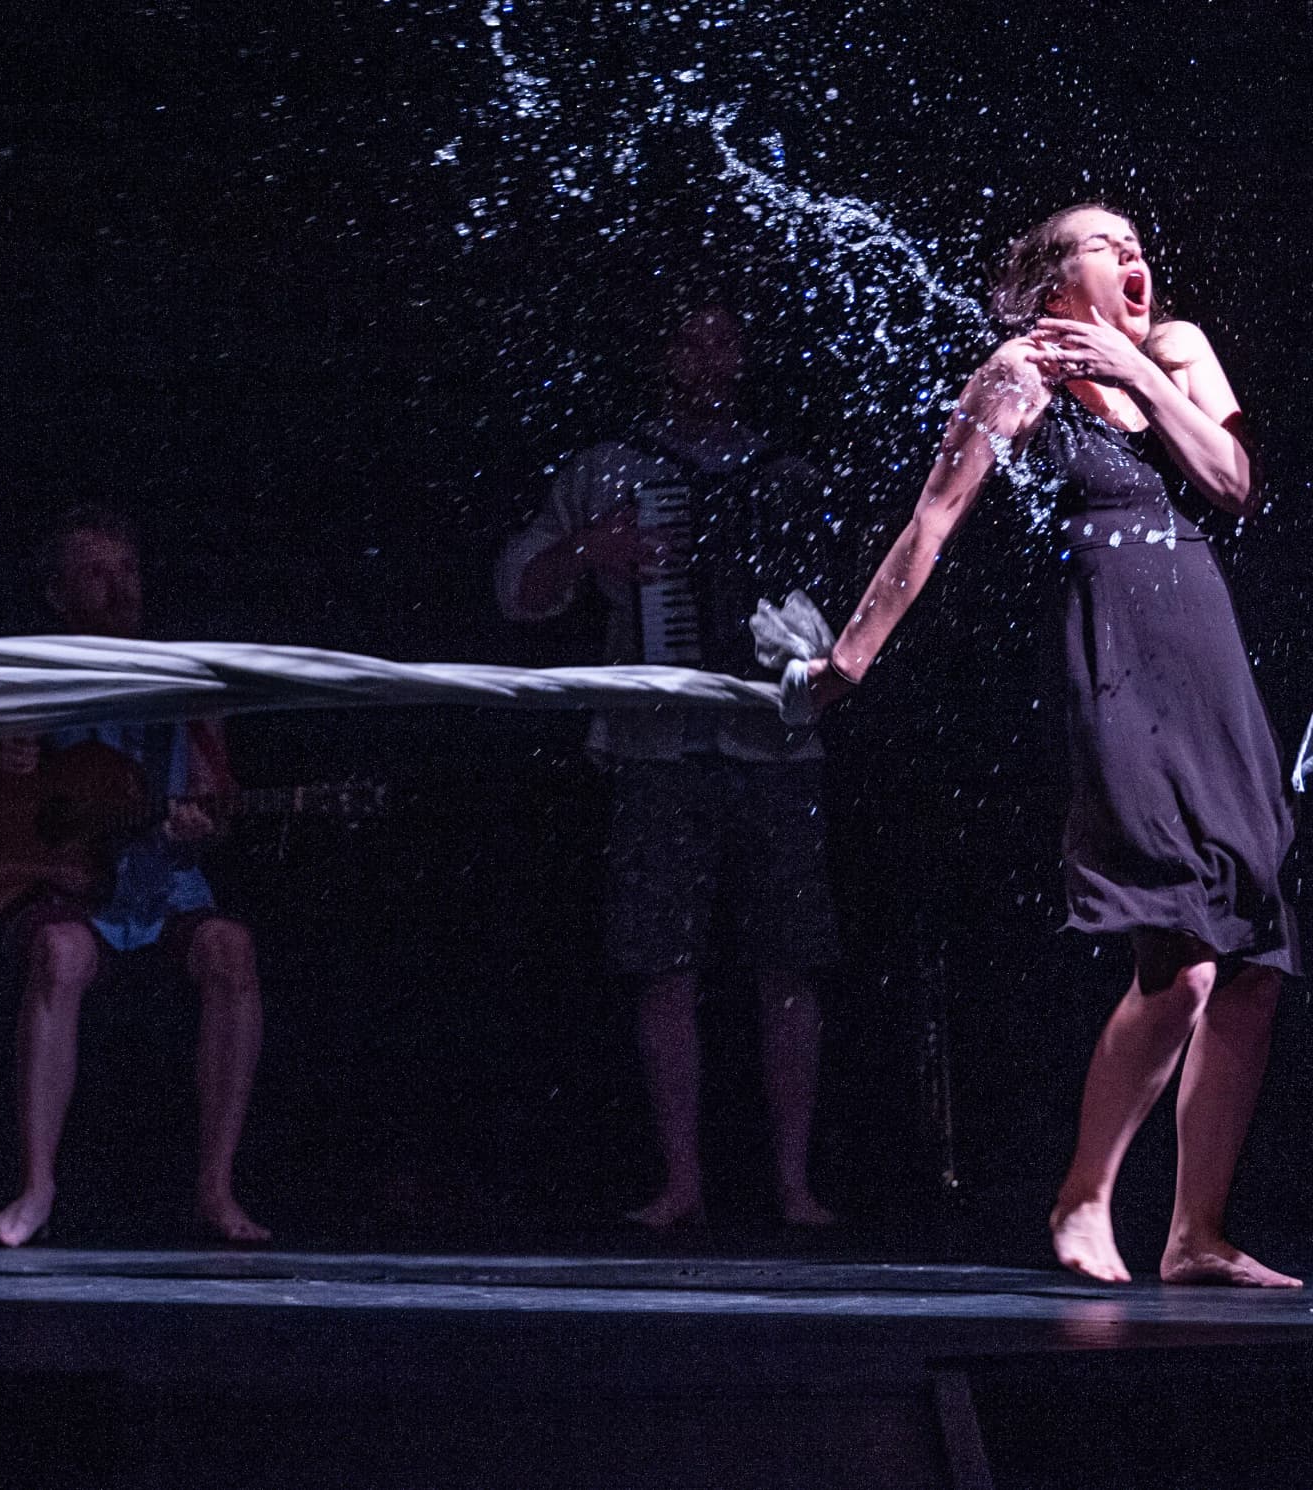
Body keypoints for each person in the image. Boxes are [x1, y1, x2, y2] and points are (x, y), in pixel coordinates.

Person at [805, 204, 1301, 1286]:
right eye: (1098, 243)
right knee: (1181, 958)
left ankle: (1196, 1231)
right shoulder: (1019, 373)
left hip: (1208, 656)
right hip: (1113, 656)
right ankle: (1082, 1195)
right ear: (1044, 277)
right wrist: (848, 658)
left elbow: (1230, 481)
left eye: (1135, 243)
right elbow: (933, 519)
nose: (1129, 255)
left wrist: (1138, 366)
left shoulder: (1175, 350)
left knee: (1256, 961)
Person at [497, 304, 841, 1230]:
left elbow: (846, 605)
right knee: (662, 962)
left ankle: (795, 1182)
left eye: (726, 337)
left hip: (775, 747)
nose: (708, 355)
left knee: (791, 961)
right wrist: (587, 549)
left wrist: (808, 638)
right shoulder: (611, 468)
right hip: (657, 748)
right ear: (659, 352)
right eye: (688, 337)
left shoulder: (792, 474)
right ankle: (681, 1178)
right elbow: (517, 593)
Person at [0, 508, 270, 1246]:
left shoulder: (187, 681)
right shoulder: (27, 674)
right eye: (97, 573)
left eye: (128, 570)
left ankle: (217, 1189)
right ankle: (37, 1188)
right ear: (57, 592)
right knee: (61, 953)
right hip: (67, 886)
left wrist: (203, 823)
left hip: (162, 885)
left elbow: (217, 800)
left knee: (232, 948)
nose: (119, 588)